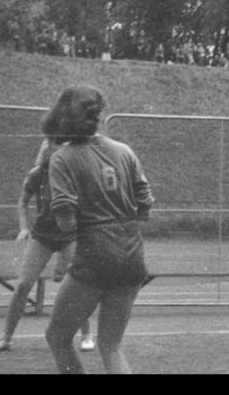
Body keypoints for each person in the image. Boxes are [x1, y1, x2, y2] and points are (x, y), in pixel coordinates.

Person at [43, 85, 154, 374]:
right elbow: (145, 203)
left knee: (57, 336)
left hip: (94, 255)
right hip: (132, 255)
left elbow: (65, 215)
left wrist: (77, 233)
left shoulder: (62, 157)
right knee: (111, 346)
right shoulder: (124, 151)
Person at [0, 140, 94, 353]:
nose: (55, 151)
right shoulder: (36, 175)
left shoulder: (75, 174)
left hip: (70, 235)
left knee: (76, 284)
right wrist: (24, 228)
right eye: (51, 148)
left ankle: (86, 334)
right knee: (23, 284)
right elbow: (23, 202)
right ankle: (6, 337)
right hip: (43, 235)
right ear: (46, 153)